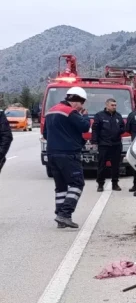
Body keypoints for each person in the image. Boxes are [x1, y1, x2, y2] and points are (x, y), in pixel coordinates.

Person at [43, 87, 90, 228]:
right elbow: (85, 127)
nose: (82, 107)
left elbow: (46, 134)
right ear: (76, 101)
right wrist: (85, 116)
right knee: (77, 184)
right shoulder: (71, 111)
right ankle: (65, 214)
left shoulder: (51, 110)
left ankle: (59, 216)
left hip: (52, 154)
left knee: (61, 187)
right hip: (68, 154)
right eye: (82, 104)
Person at [92, 98, 125, 192]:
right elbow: (95, 129)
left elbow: (123, 127)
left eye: (115, 105)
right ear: (107, 105)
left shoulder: (118, 116)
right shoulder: (99, 116)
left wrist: (119, 130)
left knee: (116, 166)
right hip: (104, 144)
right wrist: (94, 141)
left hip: (116, 144)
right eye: (112, 105)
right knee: (101, 165)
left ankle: (115, 184)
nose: (114, 107)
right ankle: (100, 184)